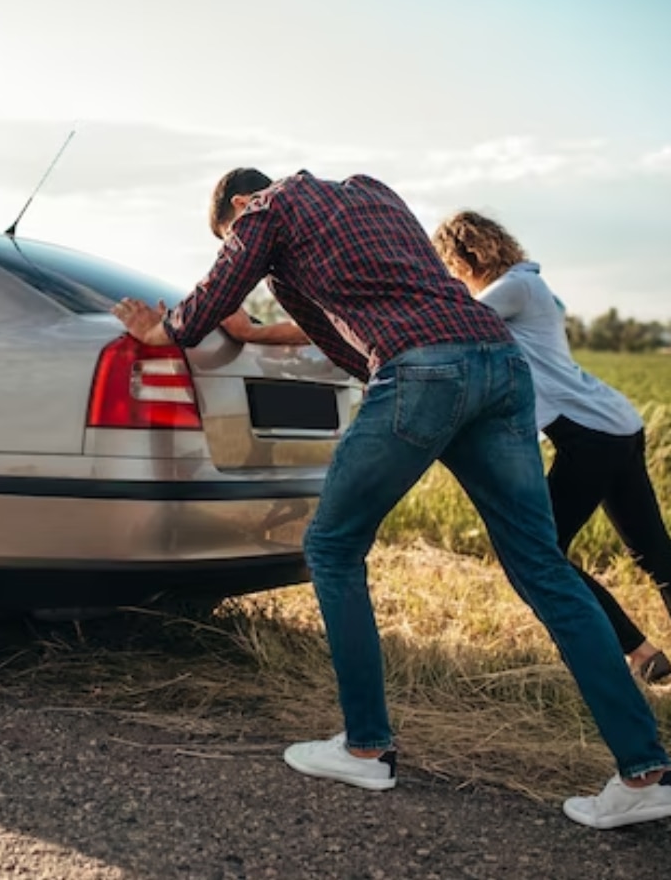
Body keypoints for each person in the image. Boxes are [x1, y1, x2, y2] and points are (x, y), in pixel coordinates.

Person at [112, 167, 671, 830]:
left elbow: (214, 295)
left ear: (239, 203)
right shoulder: (372, 192)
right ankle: (645, 771)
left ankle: (364, 745)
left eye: (231, 231)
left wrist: (167, 331)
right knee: (543, 567)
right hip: (498, 365)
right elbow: (347, 337)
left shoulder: (266, 207)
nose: (247, 249)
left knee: (332, 545)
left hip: (425, 368)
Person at [431, 211, 671, 684]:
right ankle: (643, 653)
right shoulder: (532, 286)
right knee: (653, 550)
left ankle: (638, 653)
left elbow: (454, 323)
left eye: (450, 265)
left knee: (540, 550)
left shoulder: (516, 288)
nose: (452, 275)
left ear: (469, 255)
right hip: (614, 424)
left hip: (590, 434)